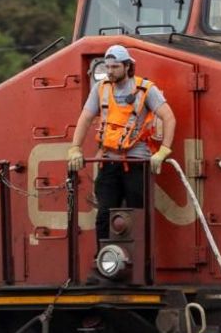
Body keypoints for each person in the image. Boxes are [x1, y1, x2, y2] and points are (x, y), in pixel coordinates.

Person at [68, 45, 176, 243]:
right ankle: (104, 261)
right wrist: (76, 148)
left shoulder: (145, 89)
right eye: (107, 67)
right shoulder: (100, 89)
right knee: (103, 216)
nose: (110, 71)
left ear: (127, 66)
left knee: (137, 215)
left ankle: (139, 264)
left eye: (115, 67)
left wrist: (163, 151)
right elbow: (85, 117)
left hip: (137, 162)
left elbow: (169, 118)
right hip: (109, 162)